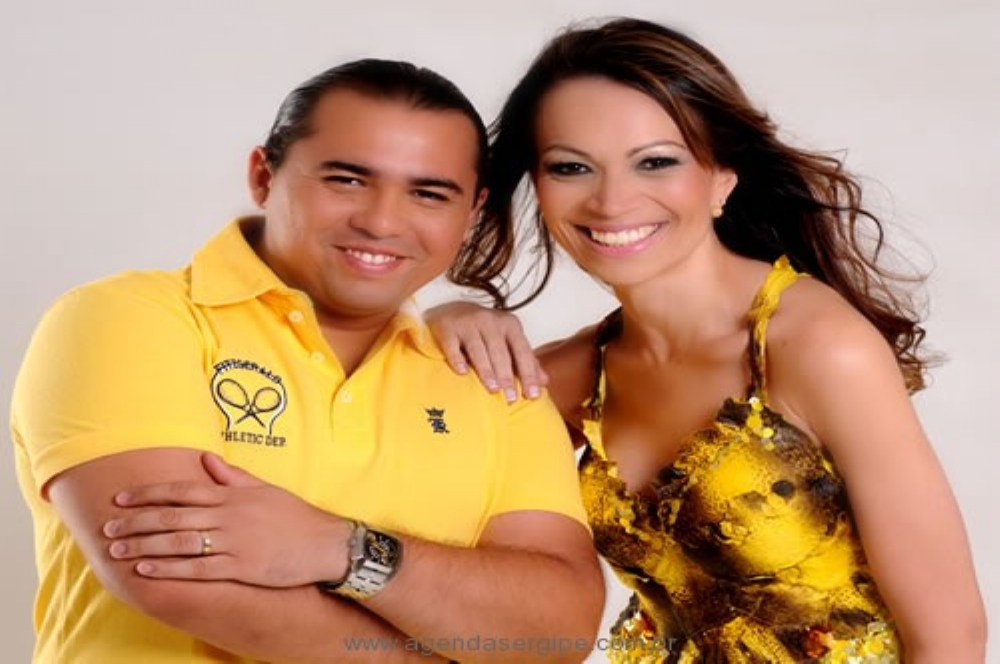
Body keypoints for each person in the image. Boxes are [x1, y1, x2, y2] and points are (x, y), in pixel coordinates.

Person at [423, 17, 987, 663]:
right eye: (572, 167)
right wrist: (445, 321)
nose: (612, 201)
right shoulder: (576, 374)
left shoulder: (817, 345)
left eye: (656, 162)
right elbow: (418, 470)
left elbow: (952, 639)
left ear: (722, 176)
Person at [10, 58, 604, 663]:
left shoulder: (494, 377)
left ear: (472, 211)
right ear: (263, 176)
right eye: (346, 180)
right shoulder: (130, 318)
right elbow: (169, 574)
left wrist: (342, 547)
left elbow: (557, 629)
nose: (381, 221)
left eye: (428, 193)